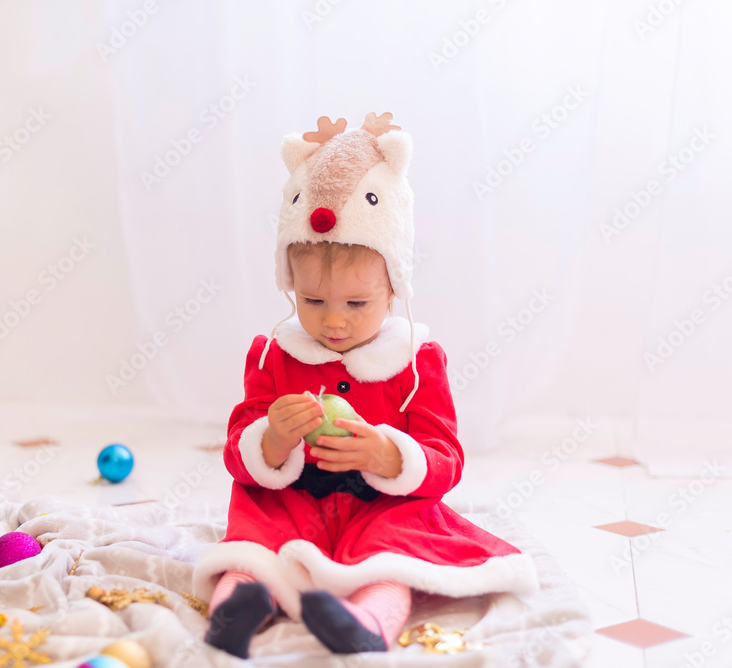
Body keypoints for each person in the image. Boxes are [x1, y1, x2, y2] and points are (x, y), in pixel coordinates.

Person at [193, 113, 538, 659]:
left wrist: (387, 454)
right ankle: (239, 605)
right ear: (290, 289)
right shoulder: (272, 354)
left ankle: (366, 620)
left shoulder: (416, 361)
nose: (334, 322)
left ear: (393, 290)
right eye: (312, 302)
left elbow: (445, 457)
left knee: (393, 552)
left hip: (381, 503)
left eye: (356, 304)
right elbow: (240, 452)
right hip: (295, 495)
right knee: (257, 538)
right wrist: (272, 439)